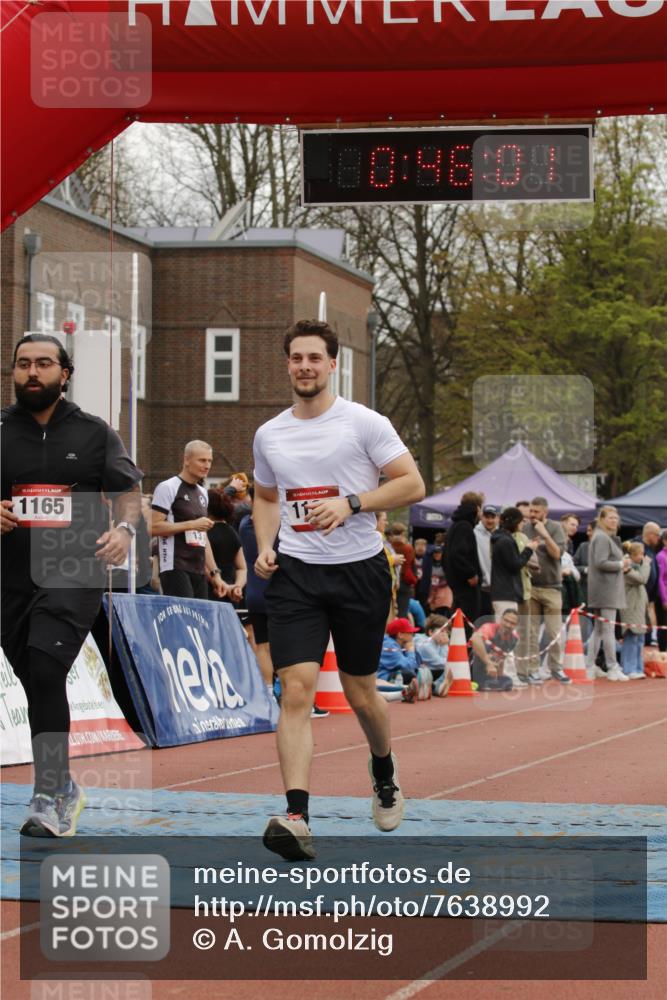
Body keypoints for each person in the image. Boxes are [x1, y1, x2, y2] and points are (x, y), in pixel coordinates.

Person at [252, 319, 425, 861]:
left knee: (360, 692)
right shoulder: (270, 433)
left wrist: (351, 503)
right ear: (288, 364)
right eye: (295, 357)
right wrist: (264, 545)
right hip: (297, 574)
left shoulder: (364, 423)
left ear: (332, 365)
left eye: (314, 358)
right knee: (297, 689)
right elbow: (265, 496)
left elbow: (411, 483)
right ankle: (297, 815)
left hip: (359, 570)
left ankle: (383, 767)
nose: (304, 366)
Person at [1, 335, 142, 837]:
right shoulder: (0, 430)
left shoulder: (94, 434)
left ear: (66, 373)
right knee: (35, 679)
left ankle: (50, 791)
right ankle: (62, 788)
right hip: (11, 577)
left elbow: (127, 493)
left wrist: (124, 531)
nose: (31, 372)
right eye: (23, 364)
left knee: (44, 666)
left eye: (43, 364)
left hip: (73, 568)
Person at [151, 441, 226, 600]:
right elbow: (153, 526)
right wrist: (191, 525)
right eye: (202, 460)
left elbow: (203, 537)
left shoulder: (202, 493)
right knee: (183, 620)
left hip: (198, 568)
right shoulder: (168, 487)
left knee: (199, 621)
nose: (207, 465)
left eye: (209, 461)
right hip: (174, 565)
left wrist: (215, 573)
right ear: (186, 460)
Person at [522, 497, 571, 684]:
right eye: (531, 511)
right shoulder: (525, 528)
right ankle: (533, 669)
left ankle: (556, 668)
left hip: (552, 587)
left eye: (536, 511)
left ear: (545, 512)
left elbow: (557, 554)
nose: (532, 515)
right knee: (532, 632)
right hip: (531, 586)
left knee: (554, 632)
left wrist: (545, 534)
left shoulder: (556, 528)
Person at [586, 505, 630, 682]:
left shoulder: (603, 537)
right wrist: (621, 564)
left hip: (603, 589)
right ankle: (612, 667)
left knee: (598, 630)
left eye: (616, 517)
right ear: (602, 519)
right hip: (606, 590)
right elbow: (601, 562)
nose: (614, 520)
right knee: (608, 629)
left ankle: (590, 665)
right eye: (610, 517)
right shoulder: (602, 537)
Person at [490, 506, 539, 620]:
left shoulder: (501, 538)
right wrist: (529, 549)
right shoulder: (505, 540)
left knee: (506, 631)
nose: (523, 524)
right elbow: (515, 565)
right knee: (505, 631)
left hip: (503, 593)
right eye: (522, 521)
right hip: (506, 593)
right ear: (515, 522)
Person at [445, 492, 483, 631]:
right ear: (478, 509)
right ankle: (463, 653)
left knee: (459, 623)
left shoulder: (456, 526)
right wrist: (471, 574)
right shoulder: (464, 527)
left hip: (457, 584)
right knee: (465, 625)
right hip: (465, 586)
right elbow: (458, 554)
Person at [206, 486, 246, 603]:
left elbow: (202, 565)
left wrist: (221, 585)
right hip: (231, 596)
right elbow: (242, 568)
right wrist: (237, 587)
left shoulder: (203, 533)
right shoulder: (233, 533)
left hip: (210, 592)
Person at [620, 542, 650, 679]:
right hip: (630, 608)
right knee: (631, 638)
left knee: (639, 639)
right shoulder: (628, 568)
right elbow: (642, 579)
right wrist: (646, 564)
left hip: (639, 607)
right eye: (641, 554)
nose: (643, 557)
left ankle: (638, 668)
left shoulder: (635, 567)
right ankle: (628, 668)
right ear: (633, 554)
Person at [470, 609, 519, 691]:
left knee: (508, 682)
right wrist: (489, 663)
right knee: (485, 645)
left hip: (489, 672)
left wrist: (499, 678)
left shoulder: (514, 638)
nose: (508, 625)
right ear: (501, 619)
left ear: (516, 625)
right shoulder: (489, 627)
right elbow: (475, 638)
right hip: (474, 666)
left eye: (512, 623)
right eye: (506, 620)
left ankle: (484, 684)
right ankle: (474, 682)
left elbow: (501, 658)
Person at [414, 614, 453, 696]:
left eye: (446, 632)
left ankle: (437, 686)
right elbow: (439, 662)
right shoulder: (424, 644)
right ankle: (436, 687)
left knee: (452, 668)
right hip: (420, 673)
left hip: (433, 671)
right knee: (451, 668)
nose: (445, 635)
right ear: (431, 632)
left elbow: (447, 659)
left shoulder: (439, 642)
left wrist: (444, 645)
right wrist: (445, 645)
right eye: (442, 631)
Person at [475, 504, 499, 617]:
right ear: (481, 517)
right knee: (482, 620)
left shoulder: (502, 535)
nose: (489, 520)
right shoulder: (474, 534)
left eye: (492, 517)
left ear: (497, 518)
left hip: (499, 588)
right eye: (487, 517)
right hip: (481, 587)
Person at [655, 529, 667, 653]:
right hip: (664, 598)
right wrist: (664, 599)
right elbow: (660, 580)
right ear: (664, 541)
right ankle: (663, 653)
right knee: (664, 626)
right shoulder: (661, 556)